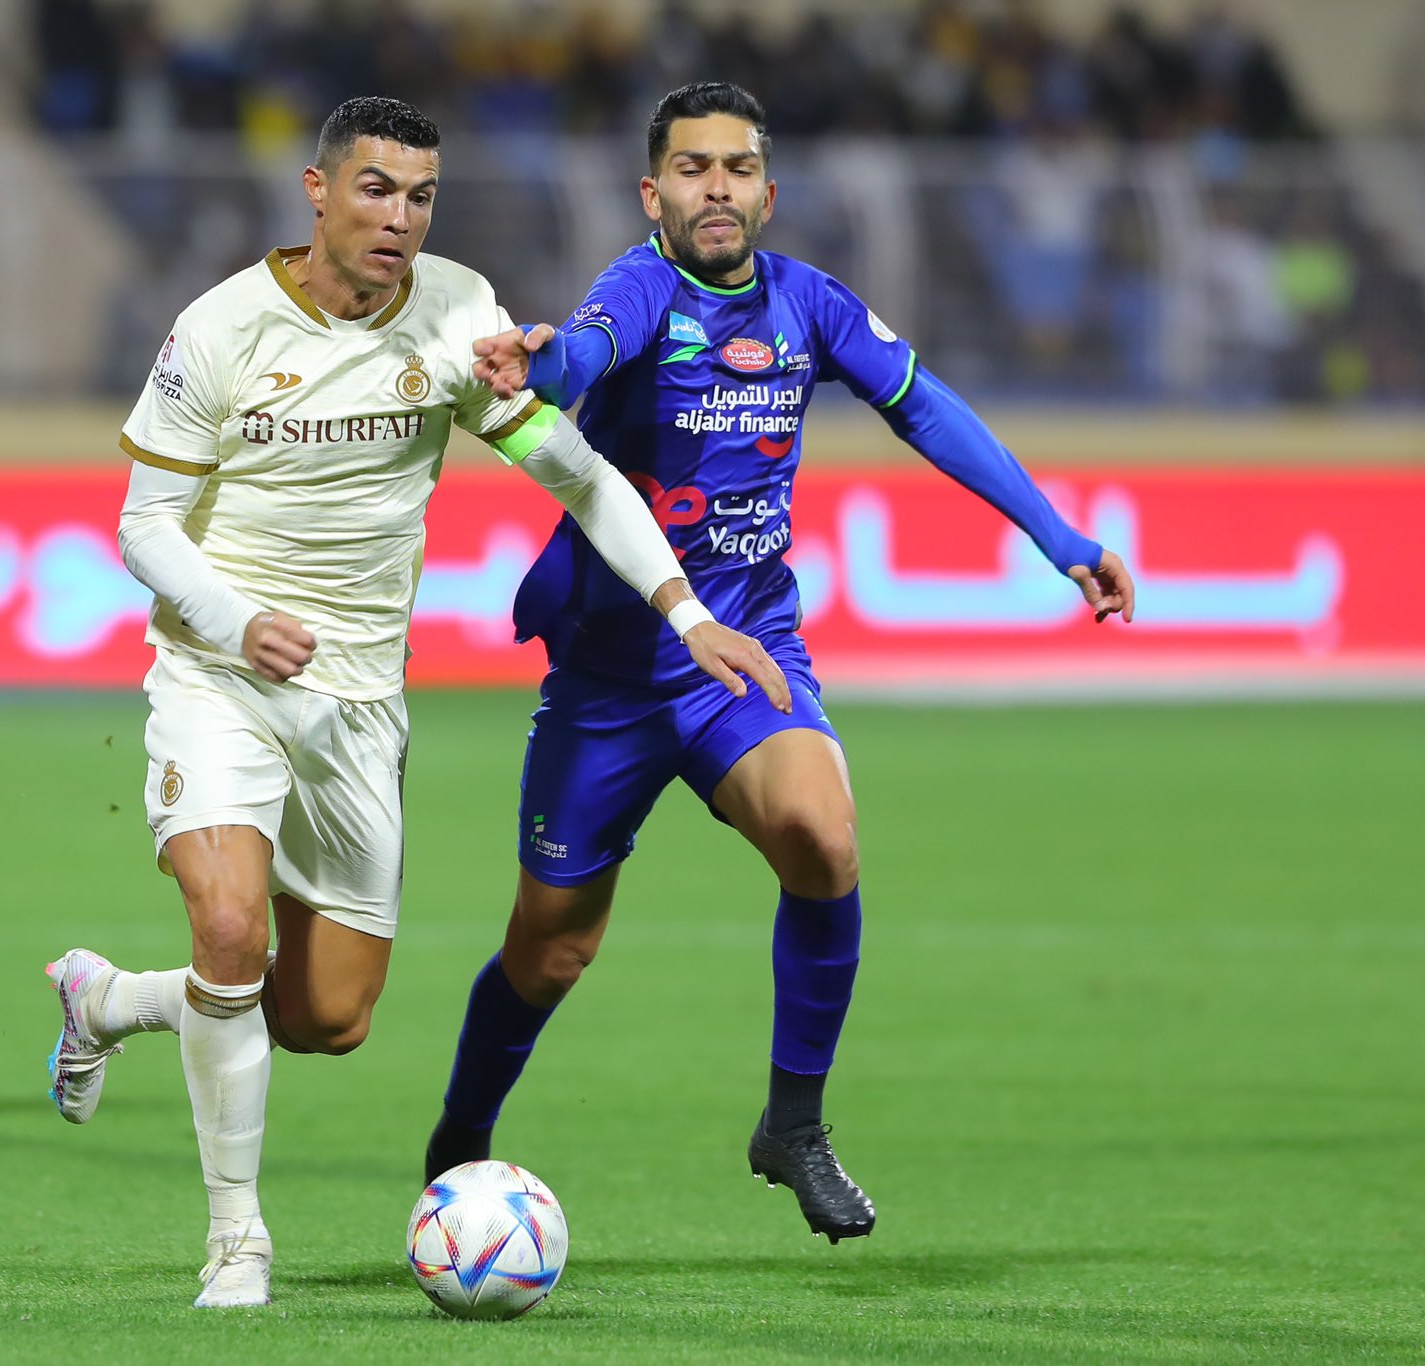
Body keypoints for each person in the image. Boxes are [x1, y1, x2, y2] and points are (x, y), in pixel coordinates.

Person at [41, 96, 785, 1309]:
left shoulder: (454, 312)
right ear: (318, 191)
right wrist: (238, 622)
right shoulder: (219, 328)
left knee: (325, 1016)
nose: (400, 217)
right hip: (218, 671)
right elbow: (142, 526)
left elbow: (581, 478)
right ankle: (237, 1238)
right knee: (229, 929)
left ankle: (111, 999)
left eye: (421, 195)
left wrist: (687, 614)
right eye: (377, 189)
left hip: (358, 704)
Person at [425, 82, 1136, 1243]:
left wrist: (1061, 541)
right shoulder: (643, 285)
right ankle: (458, 1141)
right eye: (692, 169)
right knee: (550, 947)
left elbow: (929, 409)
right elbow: (586, 352)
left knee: (823, 833)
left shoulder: (807, 304)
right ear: (652, 193)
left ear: (766, 189)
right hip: (610, 680)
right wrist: (537, 367)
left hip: (742, 657)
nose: (717, 188)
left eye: (737, 168)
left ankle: (791, 1124)